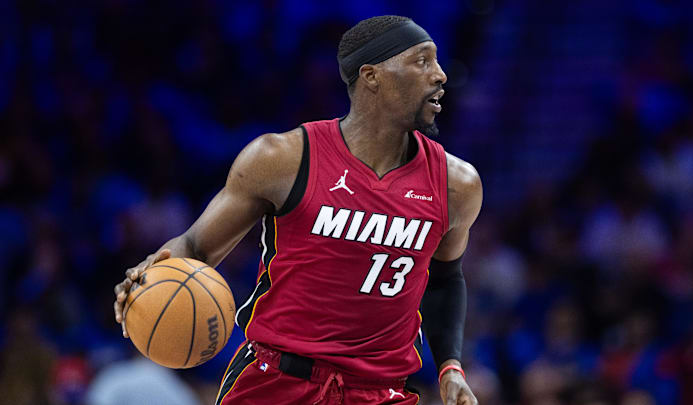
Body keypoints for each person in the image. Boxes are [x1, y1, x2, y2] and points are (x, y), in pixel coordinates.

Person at [113, 15, 482, 405]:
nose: (440, 75)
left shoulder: (456, 184)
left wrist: (450, 367)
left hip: (379, 391)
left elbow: (444, 279)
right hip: (275, 382)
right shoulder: (283, 158)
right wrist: (152, 270)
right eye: (422, 61)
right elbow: (196, 246)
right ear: (372, 76)